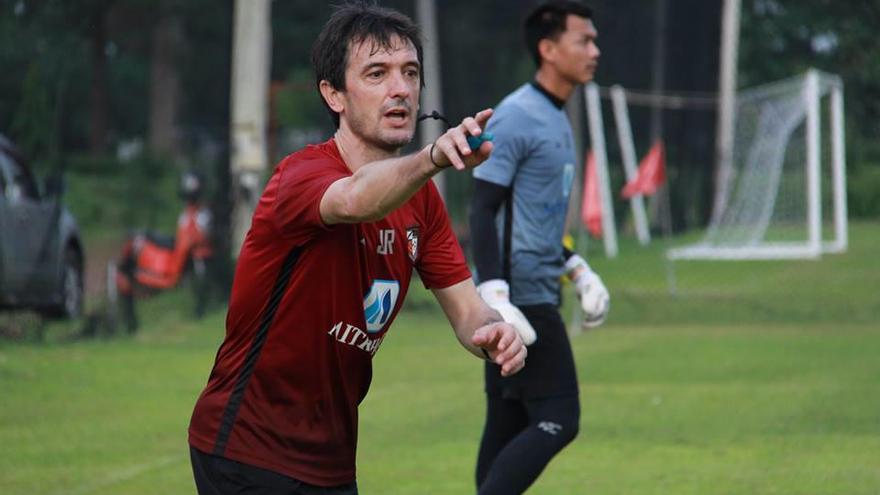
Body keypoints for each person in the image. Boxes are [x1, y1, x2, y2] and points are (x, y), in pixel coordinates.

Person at [187, 3, 527, 494]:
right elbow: (355, 199)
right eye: (377, 73)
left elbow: (468, 312)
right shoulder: (301, 175)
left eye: (410, 73)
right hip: (245, 449)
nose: (401, 88)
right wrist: (431, 156)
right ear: (334, 94)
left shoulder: (422, 204)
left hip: (331, 461)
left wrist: (496, 332)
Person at [468, 2, 610, 493]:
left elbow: (536, 220)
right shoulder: (516, 116)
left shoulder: (556, 116)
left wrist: (576, 267)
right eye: (583, 41)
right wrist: (497, 298)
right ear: (548, 50)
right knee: (559, 417)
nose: (595, 51)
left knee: (506, 429)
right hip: (522, 301)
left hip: (537, 290)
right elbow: (482, 209)